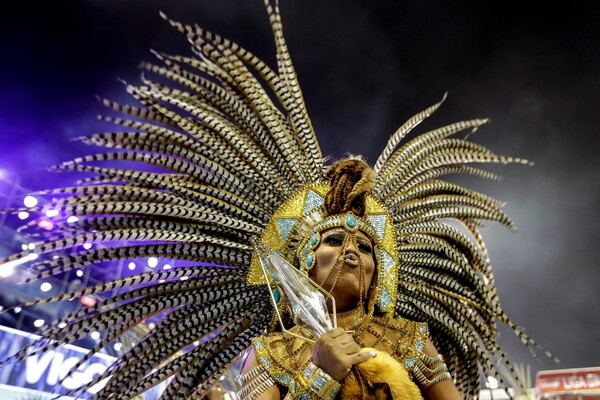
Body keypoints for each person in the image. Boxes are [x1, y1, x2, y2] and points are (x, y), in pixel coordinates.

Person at [0, 2, 539, 400]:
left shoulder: (412, 339)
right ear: (300, 263)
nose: (353, 250)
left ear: (380, 275)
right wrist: (317, 374)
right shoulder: (274, 351)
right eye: (333, 239)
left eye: (365, 246)